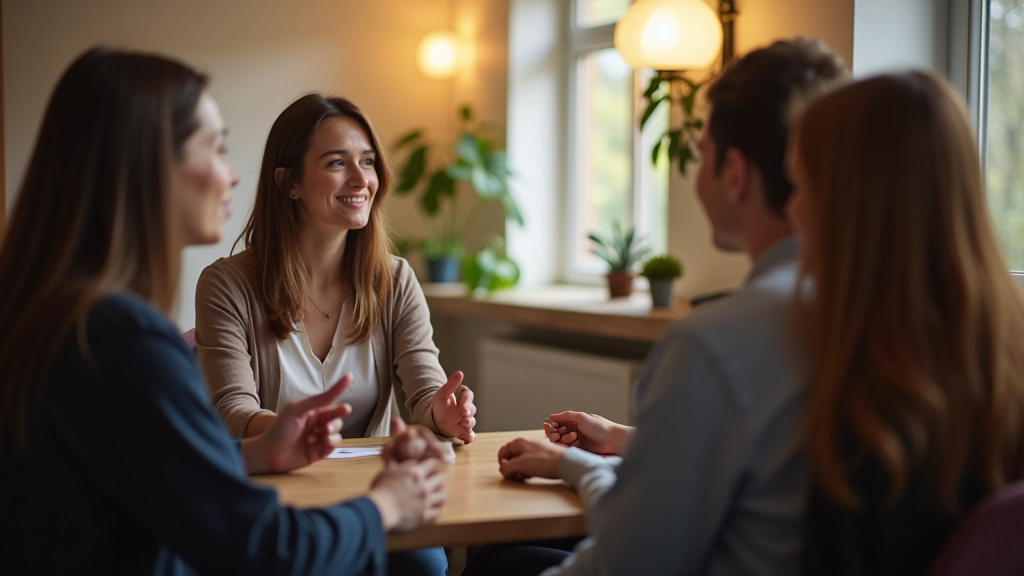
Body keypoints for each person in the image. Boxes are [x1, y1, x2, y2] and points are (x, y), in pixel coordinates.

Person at [0, 47, 449, 575]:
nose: (232, 176)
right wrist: (387, 505)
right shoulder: (121, 341)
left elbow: (152, 471)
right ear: (147, 166)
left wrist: (257, 456)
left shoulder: (56, 318)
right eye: (215, 149)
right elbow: (263, 548)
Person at [462, 38, 850, 576]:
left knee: (496, 565)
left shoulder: (716, 345)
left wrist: (578, 467)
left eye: (702, 157)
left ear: (735, 174)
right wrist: (615, 444)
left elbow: (630, 561)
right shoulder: (878, 313)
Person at [195, 92, 470, 576]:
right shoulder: (227, 285)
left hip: (376, 493)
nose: (362, 179)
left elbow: (426, 389)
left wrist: (443, 413)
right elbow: (231, 411)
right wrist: (285, 432)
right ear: (290, 183)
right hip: (279, 495)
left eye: (367, 162)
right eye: (337, 162)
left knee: (426, 565)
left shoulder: (395, 279)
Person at [787, 71, 1024, 575]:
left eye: (804, 185)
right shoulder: (1001, 366)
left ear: (852, 211)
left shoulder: (860, 423)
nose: (794, 209)